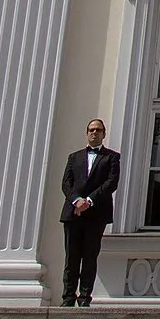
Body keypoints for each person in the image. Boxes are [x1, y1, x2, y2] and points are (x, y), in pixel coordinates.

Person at [58, 118, 119, 307]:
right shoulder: (74, 157)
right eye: (92, 130)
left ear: (104, 134)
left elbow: (111, 183)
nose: (95, 133)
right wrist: (77, 201)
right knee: (71, 257)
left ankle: (84, 297)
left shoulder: (112, 157)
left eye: (98, 130)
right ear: (87, 133)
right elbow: (66, 183)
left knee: (90, 257)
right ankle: (68, 297)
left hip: (96, 213)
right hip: (73, 213)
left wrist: (89, 201)